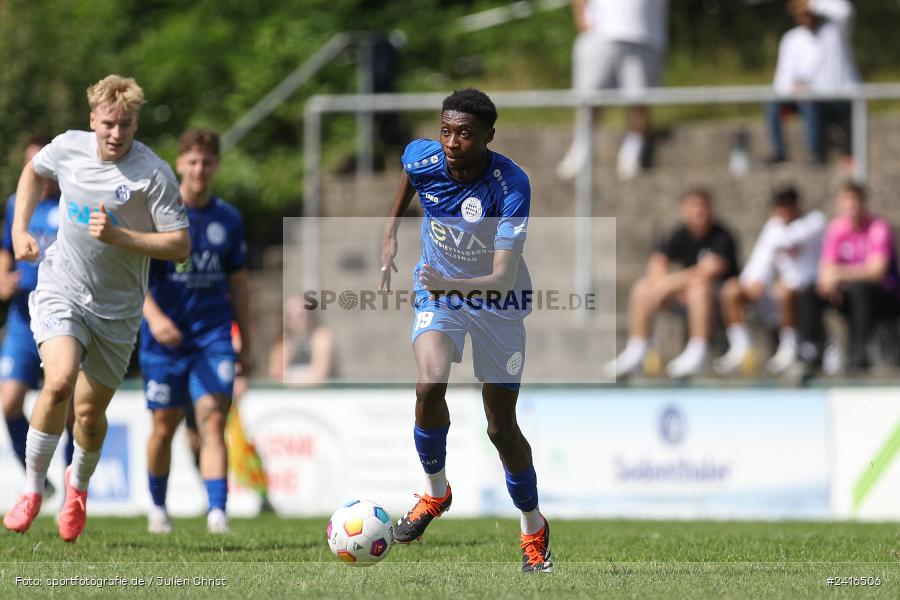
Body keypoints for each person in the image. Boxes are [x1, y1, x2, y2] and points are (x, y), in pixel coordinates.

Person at [2, 74, 190, 542]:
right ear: (93, 120)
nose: (116, 133)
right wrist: (18, 230)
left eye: (126, 125)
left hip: (119, 310)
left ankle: (77, 489)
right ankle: (29, 490)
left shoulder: (153, 174)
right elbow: (33, 172)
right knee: (59, 381)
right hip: (61, 288)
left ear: (135, 124)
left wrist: (121, 236)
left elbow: (180, 245)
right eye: (108, 123)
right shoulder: (68, 147)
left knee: (88, 415)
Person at [379, 89, 551, 573]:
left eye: (465, 134)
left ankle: (533, 527)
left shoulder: (510, 184)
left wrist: (448, 280)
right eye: (446, 130)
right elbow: (410, 176)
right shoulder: (424, 155)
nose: (452, 142)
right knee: (429, 383)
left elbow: (500, 276)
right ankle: (436, 494)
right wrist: (391, 229)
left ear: (488, 136)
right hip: (441, 295)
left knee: (500, 427)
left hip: (499, 303)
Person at [141, 128, 251, 534]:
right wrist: (153, 317)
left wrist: (248, 342)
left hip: (213, 337)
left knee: (211, 419)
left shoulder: (229, 219)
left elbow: (240, 284)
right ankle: (157, 508)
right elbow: (134, 278)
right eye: (192, 161)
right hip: (163, 340)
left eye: (206, 161)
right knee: (164, 427)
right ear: (179, 164)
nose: (199, 169)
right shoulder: (158, 214)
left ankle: (217, 513)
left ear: (216, 165)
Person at [1, 136, 74, 492]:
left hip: (62, 312)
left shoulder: (73, 203)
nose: (41, 173)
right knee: (9, 401)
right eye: (33, 165)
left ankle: (73, 487)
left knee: (69, 403)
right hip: (22, 316)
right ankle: (39, 482)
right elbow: (5, 249)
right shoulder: (17, 204)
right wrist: (2, 277)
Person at [603, 190, 738, 379]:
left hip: (716, 300)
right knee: (642, 288)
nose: (699, 211)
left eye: (703, 206)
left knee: (699, 288)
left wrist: (671, 284)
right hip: (685, 296)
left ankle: (699, 350)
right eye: (694, 206)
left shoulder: (721, 236)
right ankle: (637, 349)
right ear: (684, 209)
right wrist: (664, 286)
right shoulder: (679, 234)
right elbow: (657, 262)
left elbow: (710, 270)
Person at [713, 186, 826, 375]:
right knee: (731, 290)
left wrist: (775, 235)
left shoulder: (815, 221)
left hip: (808, 290)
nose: (782, 213)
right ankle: (741, 346)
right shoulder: (774, 226)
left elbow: (787, 240)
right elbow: (761, 257)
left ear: (797, 206)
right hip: (780, 291)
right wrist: (754, 280)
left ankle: (790, 347)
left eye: (786, 207)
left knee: (785, 290)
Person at [556, 0, 670, 180]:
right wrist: (581, 16)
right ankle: (582, 147)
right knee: (589, 99)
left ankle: (633, 151)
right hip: (599, 34)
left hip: (646, 35)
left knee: (639, 101)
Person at [798, 182, 900, 372]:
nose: (851, 205)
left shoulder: (879, 228)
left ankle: (861, 351)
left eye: (855, 200)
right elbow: (826, 269)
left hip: (884, 296)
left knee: (861, 289)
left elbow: (876, 271)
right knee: (812, 290)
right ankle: (810, 350)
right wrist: (831, 282)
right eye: (847, 200)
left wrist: (840, 275)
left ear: (864, 202)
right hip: (849, 294)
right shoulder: (836, 228)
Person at [765, 0, 859, 165]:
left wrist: (812, 3)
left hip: (838, 100)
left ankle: (816, 155)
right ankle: (779, 153)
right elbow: (781, 81)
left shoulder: (835, 31)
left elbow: (845, 10)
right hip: (808, 101)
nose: (805, 16)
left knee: (809, 102)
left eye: (808, 12)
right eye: (801, 13)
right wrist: (793, 87)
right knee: (773, 103)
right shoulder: (791, 39)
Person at [267, 294, 335, 386]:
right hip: (289, 397)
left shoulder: (320, 335)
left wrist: (289, 379)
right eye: (289, 316)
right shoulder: (283, 341)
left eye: (300, 315)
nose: (294, 321)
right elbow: (275, 375)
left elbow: (319, 374)